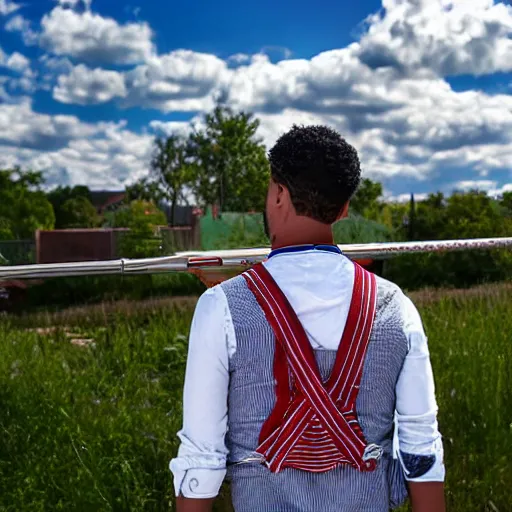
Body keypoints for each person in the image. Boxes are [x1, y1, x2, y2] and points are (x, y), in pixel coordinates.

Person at [170, 125, 446, 512]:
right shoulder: (396, 308)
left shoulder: (221, 308)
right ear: (344, 208)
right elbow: (422, 448)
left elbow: (201, 455)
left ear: (279, 193)